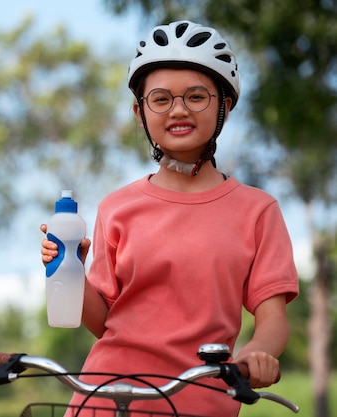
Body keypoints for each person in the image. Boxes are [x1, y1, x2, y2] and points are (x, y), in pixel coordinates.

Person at [40, 20, 299, 416]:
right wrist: (69, 268)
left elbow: (273, 318)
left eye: (196, 96)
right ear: (140, 112)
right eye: (160, 99)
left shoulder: (257, 211)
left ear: (224, 105)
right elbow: (106, 321)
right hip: (105, 397)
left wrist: (257, 353)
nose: (178, 110)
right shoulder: (117, 207)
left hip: (200, 401)